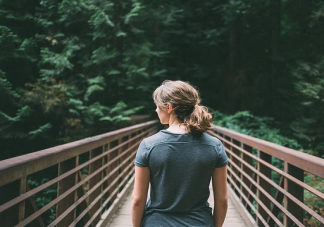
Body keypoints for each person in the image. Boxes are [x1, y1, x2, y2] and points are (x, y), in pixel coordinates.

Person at [131, 80, 228, 227]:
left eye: (157, 106)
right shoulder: (214, 146)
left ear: (169, 107)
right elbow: (222, 200)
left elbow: (138, 200)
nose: (156, 110)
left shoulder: (149, 145)